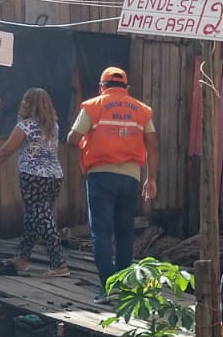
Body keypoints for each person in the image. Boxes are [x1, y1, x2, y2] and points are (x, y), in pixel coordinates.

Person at [67, 66, 158, 299]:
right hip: (131, 178)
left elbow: (73, 138)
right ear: (126, 88)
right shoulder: (141, 110)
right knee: (125, 233)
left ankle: (109, 287)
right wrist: (152, 178)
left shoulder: (92, 107)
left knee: (102, 233)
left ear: (101, 87)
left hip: (100, 176)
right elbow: (153, 145)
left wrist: (88, 144)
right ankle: (124, 286)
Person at [0, 87, 69, 278]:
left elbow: (6, 150)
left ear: (28, 104)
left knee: (40, 217)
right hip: (54, 176)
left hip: (33, 176)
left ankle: (59, 264)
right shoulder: (53, 126)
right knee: (35, 217)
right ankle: (22, 258)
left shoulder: (25, 126)